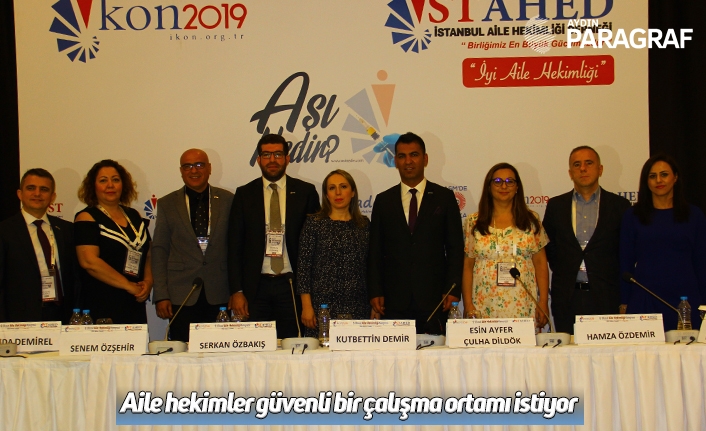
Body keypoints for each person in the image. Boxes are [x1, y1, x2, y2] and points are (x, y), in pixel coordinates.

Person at [368, 132, 464, 334]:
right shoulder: (383, 201)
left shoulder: (444, 197)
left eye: (414, 155)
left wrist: (453, 289)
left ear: (425, 159)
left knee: (435, 353)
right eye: (402, 156)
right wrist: (375, 291)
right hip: (393, 301)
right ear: (395, 161)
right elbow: (375, 251)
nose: (408, 161)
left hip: (435, 300)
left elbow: (455, 248)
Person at [227, 134, 320, 338]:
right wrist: (237, 291)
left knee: (292, 345)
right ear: (258, 160)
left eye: (278, 154)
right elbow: (234, 246)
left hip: (292, 285)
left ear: (287, 158)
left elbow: (315, 246)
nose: (272, 160)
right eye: (266, 155)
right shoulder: (244, 194)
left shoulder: (306, 192)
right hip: (255, 288)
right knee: (256, 346)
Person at [543, 146, 631, 334]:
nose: (583, 168)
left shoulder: (620, 206)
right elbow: (550, 248)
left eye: (588, 163)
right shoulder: (556, 206)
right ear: (570, 173)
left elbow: (625, 252)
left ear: (600, 169)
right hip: (567, 298)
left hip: (607, 297)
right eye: (577, 165)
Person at [151, 149, 234, 341]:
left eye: (199, 165)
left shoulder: (228, 200)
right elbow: (160, 250)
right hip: (181, 294)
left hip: (220, 292)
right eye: (187, 166)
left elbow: (236, 248)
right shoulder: (167, 203)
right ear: (181, 170)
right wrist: (161, 294)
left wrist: (237, 291)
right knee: (182, 351)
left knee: (220, 350)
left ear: (209, 168)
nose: (193, 170)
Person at [620, 154, 706, 330]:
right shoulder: (633, 216)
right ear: (646, 182)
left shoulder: (694, 215)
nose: (659, 180)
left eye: (664, 174)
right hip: (645, 298)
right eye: (652, 176)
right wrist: (624, 302)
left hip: (686, 300)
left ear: (675, 177)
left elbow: (702, 262)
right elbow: (625, 262)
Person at [461, 163, 549, 327]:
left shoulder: (531, 220)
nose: (504, 186)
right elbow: (467, 266)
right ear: (489, 187)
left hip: (523, 304)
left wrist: (543, 301)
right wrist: (468, 305)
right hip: (484, 304)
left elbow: (540, 263)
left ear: (517, 187)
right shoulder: (473, 222)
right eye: (498, 181)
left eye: (510, 181)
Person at [74, 160, 152, 324]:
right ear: (93, 186)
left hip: (134, 300)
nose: (110, 185)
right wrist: (127, 285)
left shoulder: (134, 215)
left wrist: (148, 281)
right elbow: (89, 262)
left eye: (115, 180)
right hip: (102, 302)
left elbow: (148, 253)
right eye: (103, 180)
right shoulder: (86, 217)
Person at [297, 170, 372, 337]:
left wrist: (374, 304)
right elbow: (303, 268)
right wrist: (306, 306)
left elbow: (372, 267)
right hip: (322, 308)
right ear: (326, 195)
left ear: (353, 192)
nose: (338, 193)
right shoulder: (314, 224)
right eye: (332, 188)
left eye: (343, 187)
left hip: (358, 305)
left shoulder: (364, 225)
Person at [0, 169, 78, 323]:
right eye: (31, 188)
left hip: (63, 314)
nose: (37, 194)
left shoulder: (66, 229)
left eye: (44, 189)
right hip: (21, 318)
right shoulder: (4, 231)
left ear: (52, 197)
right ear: (20, 194)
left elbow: (75, 278)